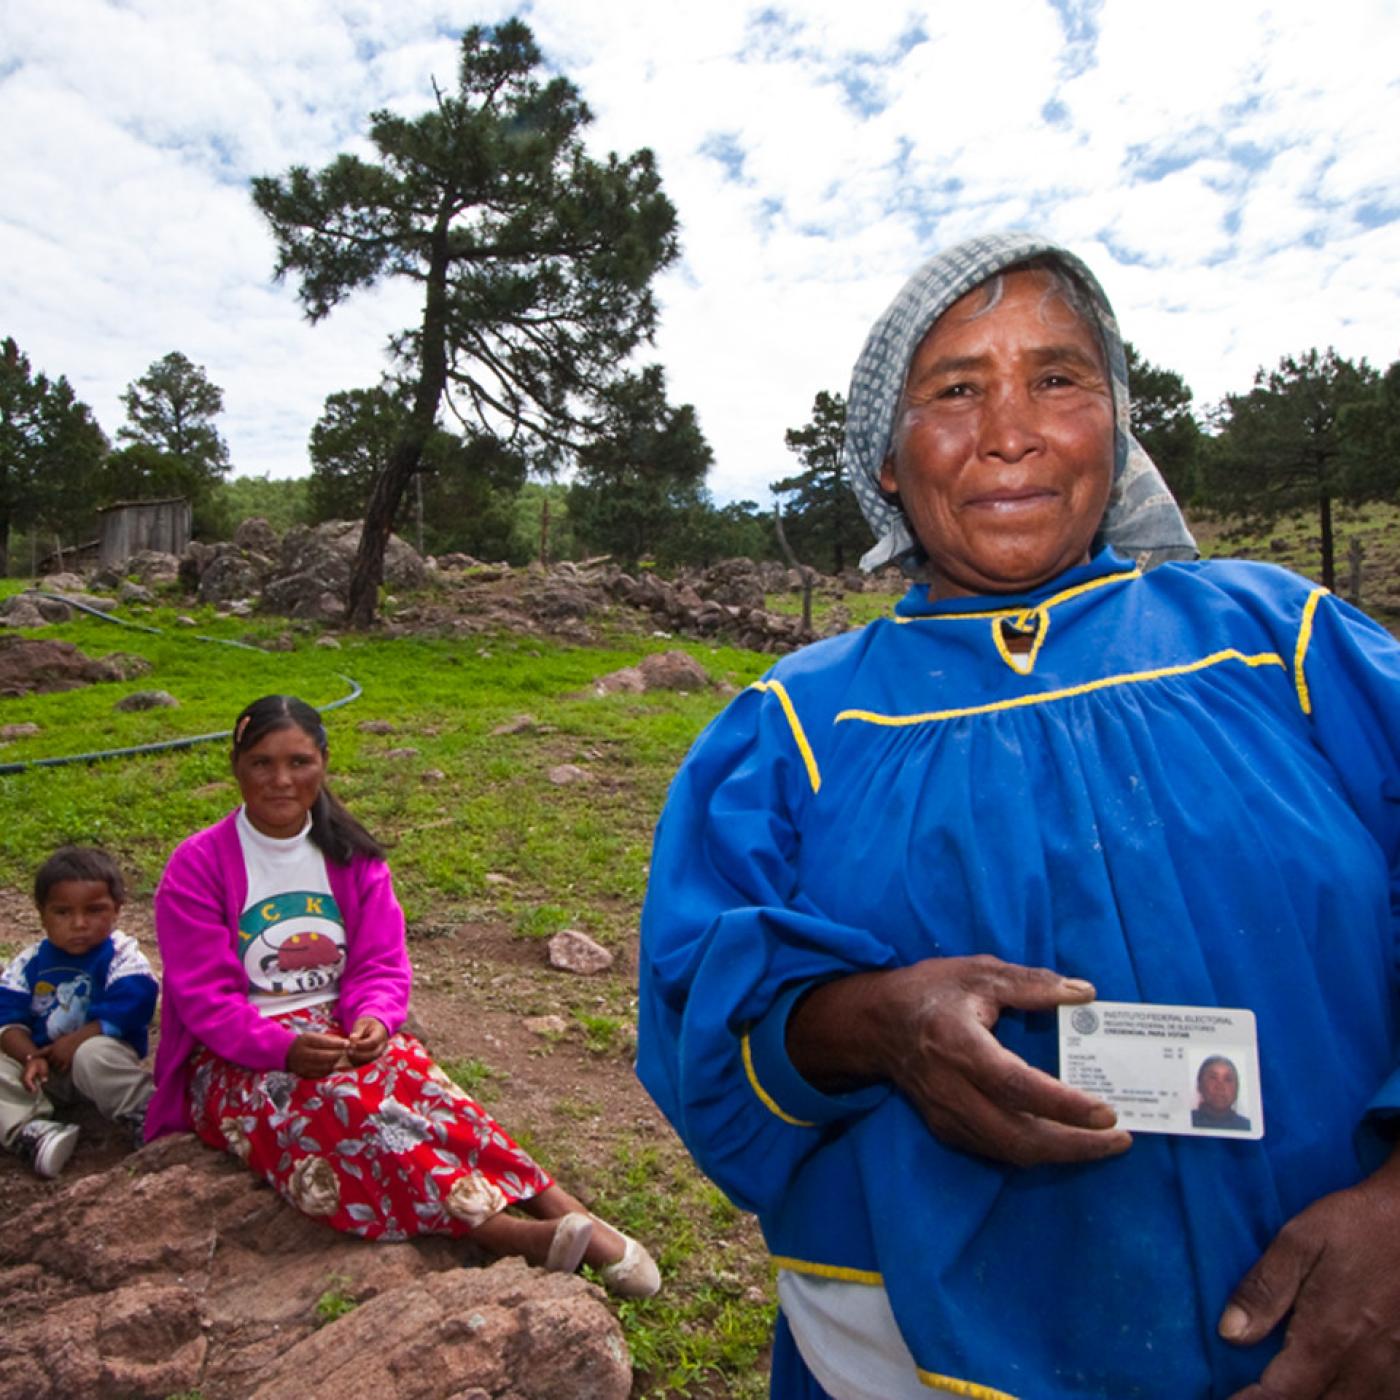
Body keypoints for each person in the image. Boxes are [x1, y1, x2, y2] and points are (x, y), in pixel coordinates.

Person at [637, 231, 1400, 1399]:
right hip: (909, 1360)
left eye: (1056, 377)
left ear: (1115, 422)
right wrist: (871, 1023)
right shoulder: (787, 731)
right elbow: (701, 1030)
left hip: (1328, 1336)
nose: (1009, 430)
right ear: (885, 460)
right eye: (953, 389)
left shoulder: (1283, 645)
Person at [148, 694, 658, 1296]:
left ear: (324, 764)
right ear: (236, 766)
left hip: (337, 1028)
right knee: (345, 1109)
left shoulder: (352, 857)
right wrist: (281, 1050)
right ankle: (503, 1234)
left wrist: (373, 1019)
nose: (281, 780)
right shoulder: (198, 866)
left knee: (420, 1081)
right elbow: (205, 998)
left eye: (299, 762)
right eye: (261, 763)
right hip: (235, 1057)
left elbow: (381, 965)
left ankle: (553, 1200)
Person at [0, 846, 156, 1178]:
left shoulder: (122, 955)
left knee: (94, 1055)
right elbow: (8, 1017)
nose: (79, 924)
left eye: (95, 910)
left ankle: (144, 1112)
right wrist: (31, 1057)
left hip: (95, 1063)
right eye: (63, 913)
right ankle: (32, 1131)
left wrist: (78, 1040)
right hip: (43, 1070)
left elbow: (134, 1003)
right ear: (41, 913)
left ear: (117, 910)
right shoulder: (29, 963)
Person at [1192, 1055, 1252, 1132]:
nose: (1220, 1087)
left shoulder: (1247, 1127)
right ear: (1199, 1085)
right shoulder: (1185, 1121)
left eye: (1228, 1079)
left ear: (1237, 1088)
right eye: (1213, 1078)